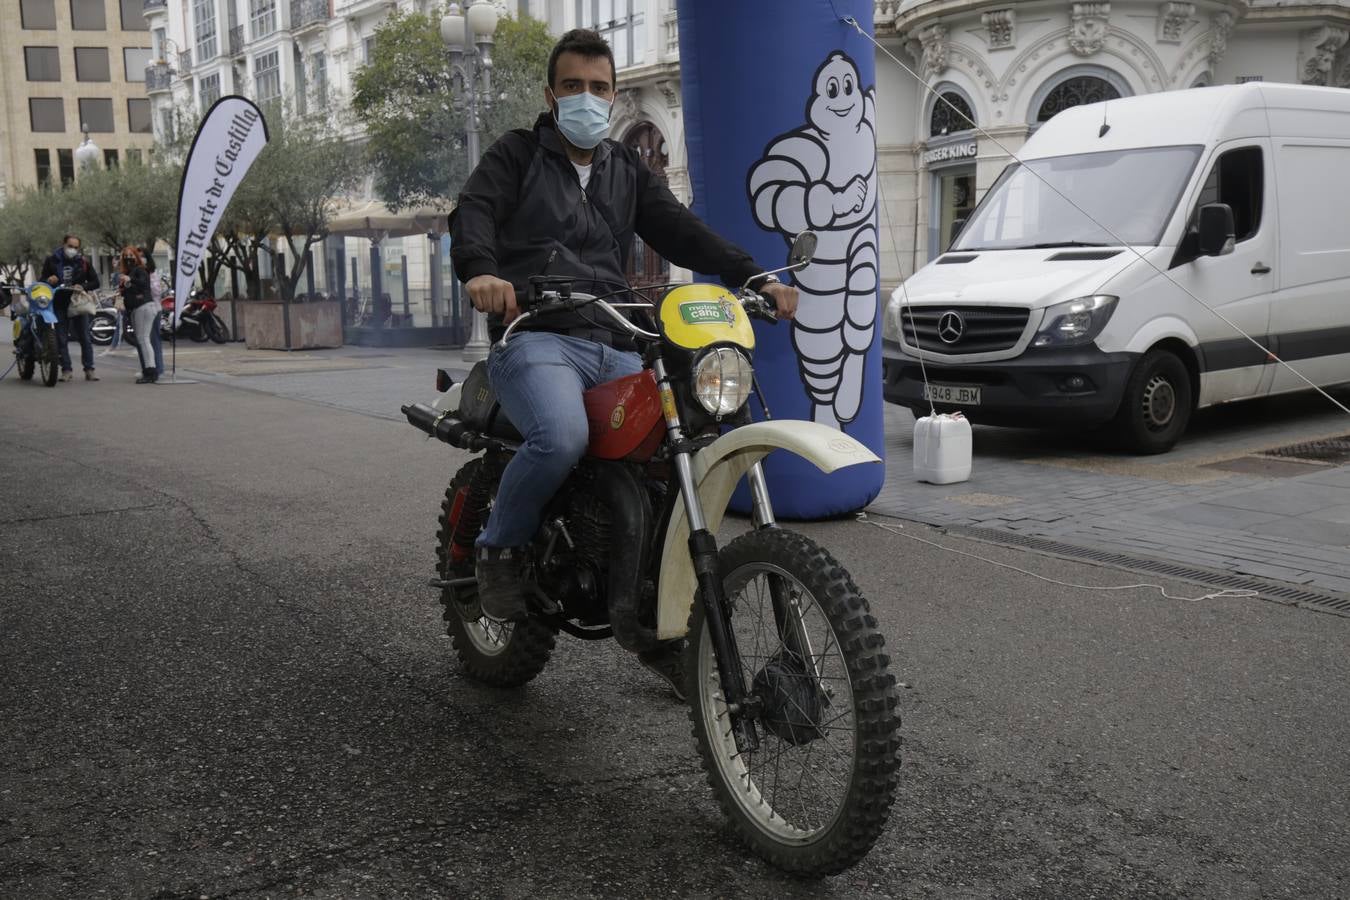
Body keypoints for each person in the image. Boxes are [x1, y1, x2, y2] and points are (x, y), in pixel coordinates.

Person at [449, 29, 800, 688]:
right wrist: (482, 272)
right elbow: (473, 214)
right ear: (551, 94)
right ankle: (497, 552)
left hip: (613, 336)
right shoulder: (516, 156)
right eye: (574, 86)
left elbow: (681, 230)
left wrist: (752, 277)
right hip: (537, 333)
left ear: (613, 96)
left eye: (600, 88)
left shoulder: (622, 169)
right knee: (562, 437)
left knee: (679, 445)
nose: (588, 98)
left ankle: (655, 616)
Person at [40, 234, 100, 382]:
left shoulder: (83, 262)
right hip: (59, 303)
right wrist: (49, 280)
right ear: (64, 244)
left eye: (75, 247)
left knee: (85, 337)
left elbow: (95, 282)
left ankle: (89, 369)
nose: (72, 250)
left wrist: (83, 286)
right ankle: (66, 370)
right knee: (61, 338)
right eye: (70, 246)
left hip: (77, 303)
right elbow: (42, 281)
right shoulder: (52, 260)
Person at [117, 246, 157, 384]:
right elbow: (131, 290)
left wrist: (130, 280)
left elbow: (144, 284)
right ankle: (148, 370)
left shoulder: (140, 270)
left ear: (136, 256)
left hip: (143, 306)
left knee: (144, 339)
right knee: (142, 340)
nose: (128, 258)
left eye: (131, 255)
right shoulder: (132, 271)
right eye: (125, 256)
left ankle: (151, 371)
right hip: (136, 308)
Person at [144, 257, 165, 376]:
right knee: (146, 341)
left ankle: (158, 368)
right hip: (142, 309)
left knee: (154, 340)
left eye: (143, 256)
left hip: (154, 308)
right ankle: (149, 368)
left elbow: (157, 291)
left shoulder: (152, 274)